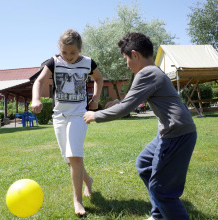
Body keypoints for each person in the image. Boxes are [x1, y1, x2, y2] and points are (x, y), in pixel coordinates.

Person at [83, 32, 197, 220]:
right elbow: (131, 99)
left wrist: (95, 115)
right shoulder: (152, 71)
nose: (126, 64)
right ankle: (158, 215)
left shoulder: (146, 72)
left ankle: (164, 212)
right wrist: (117, 103)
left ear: (135, 54)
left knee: (162, 190)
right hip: (169, 132)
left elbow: (125, 109)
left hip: (176, 134)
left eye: (126, 59)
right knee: (144, 163)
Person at [31, 29, 103, 215]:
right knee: (69, 160)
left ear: (80, 49)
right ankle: (88, 180)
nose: (69, 56)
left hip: (79, 114)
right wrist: (36, 99)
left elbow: (99, 79)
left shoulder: (88, 63)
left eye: (73, 52)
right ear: (59, 49)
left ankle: (77, 201)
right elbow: (38, 82)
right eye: (65, 52)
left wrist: (95, 98)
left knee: (75, 156)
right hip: (59, 116)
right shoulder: (53, 62)